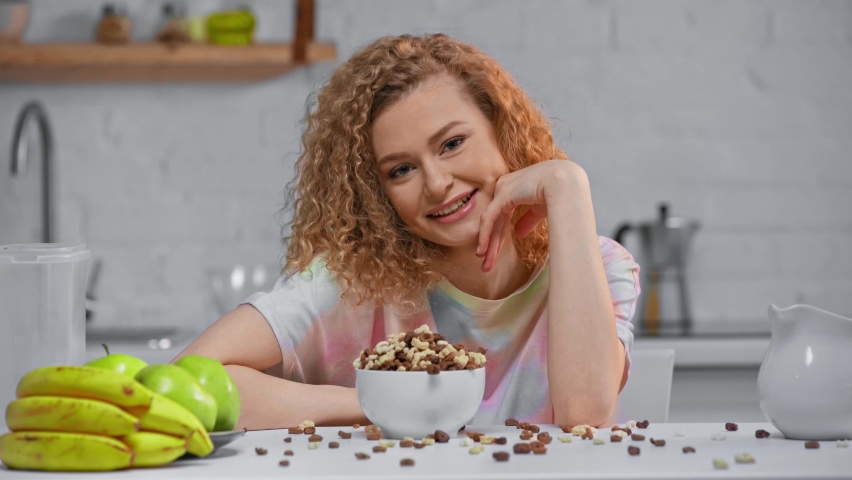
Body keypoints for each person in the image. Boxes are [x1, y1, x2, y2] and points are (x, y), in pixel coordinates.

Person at [175, 33, 640, 430]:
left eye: (453, 144)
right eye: (401, 170)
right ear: (378, 194)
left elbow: (584, 413)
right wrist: (380, 402)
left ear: (503, 131)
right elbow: (189, 378)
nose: (437, 184)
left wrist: (567, 187)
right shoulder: (354, 284)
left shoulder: (599, 267)